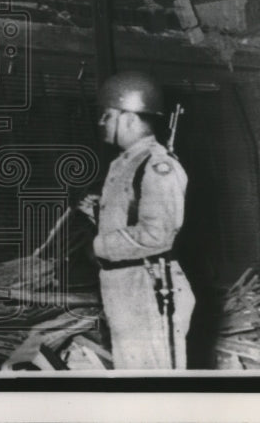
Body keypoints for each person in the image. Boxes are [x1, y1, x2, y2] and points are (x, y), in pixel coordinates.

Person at [77, 71, 194, 370]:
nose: (101, 123)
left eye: (107, 116)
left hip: (149, 285)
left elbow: (158, 235)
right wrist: (99, 213)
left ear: (129, 118)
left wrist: (100, 245)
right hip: (125, 285)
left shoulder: (158, 165)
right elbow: (133, 218)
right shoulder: (126, 162)